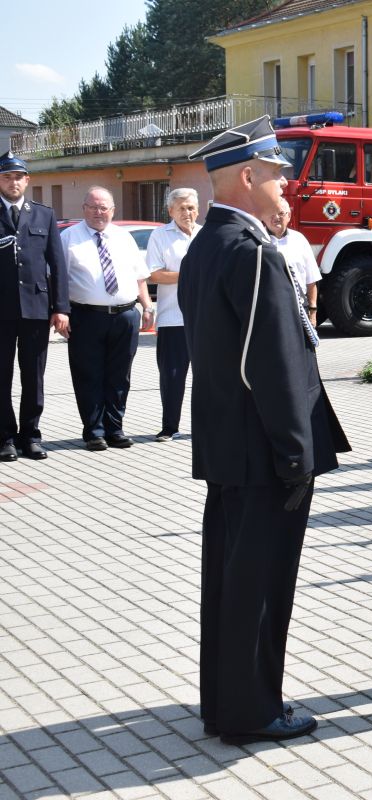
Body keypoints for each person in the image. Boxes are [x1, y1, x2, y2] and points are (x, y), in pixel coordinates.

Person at [180, 116, 350, 743]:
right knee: (260, 585)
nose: (286, 186)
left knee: (230, 580)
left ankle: (225, 702)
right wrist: (296, 452)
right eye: (277, 175)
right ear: (248, 177)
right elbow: (270, 367)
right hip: (264, 451)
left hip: (230, 445)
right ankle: (253, 711)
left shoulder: (207, 245)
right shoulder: (251, 253)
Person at [60, 187, 154, 450]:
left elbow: (139, 277)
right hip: (86, 316)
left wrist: (147, 306)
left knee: (119, 376)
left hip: (125, 315)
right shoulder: (69, 238)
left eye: (104, 208)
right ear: (84, 209)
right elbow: (56, 279)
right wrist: (60, 312)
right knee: (88, 376)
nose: (98, 212)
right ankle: (94, 431)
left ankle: (115, 428)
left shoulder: (124, 237)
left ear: (113, 210)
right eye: (93, 207)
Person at [0, 152, 69, 461]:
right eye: (6, 177)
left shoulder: (44, 214)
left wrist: (61, 308)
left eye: (18, 177)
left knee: (34, 377)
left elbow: (57, 264)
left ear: (27, 180)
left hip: (36, 309)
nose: (13, 182)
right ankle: (4, 437)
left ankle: (30, 436)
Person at [145, 187, 201, 442]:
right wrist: (189, 274)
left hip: (205, 320)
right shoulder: (160, 235)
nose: (187, 213)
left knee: (207, 377)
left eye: (191, 207)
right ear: (170, 211)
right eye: (181, 208)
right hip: (172, 319)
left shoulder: (206, 234)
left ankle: (205, 426)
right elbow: (154, 274)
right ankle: (169, 427)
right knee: (172, 376)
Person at [265, 200, 321, 328]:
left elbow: (311, 280)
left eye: (281, 213)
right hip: (268, 310)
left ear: (289, 216)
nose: (276, 217)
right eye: (271, 213)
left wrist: (313, 312)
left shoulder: (299, 240)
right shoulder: (257, 240)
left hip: (298, 308)